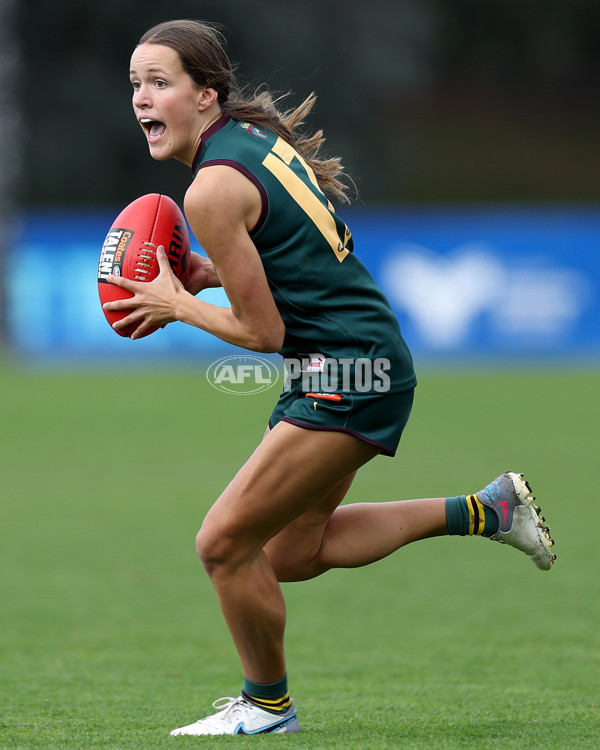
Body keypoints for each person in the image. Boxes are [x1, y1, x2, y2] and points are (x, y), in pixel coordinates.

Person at [103, 19, 556, 736]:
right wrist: (209, 273)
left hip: (349, 369)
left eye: (160, 83)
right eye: (135, 84)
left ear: (206, 94)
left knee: (223, 543)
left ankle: (267, 706)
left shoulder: (211, 189)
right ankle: (488, 510)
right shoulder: (245, 146)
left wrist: (179, 303)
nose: (141, 99)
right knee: (291, 553)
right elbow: (299, 261)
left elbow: (263, 332)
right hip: (355, 358)